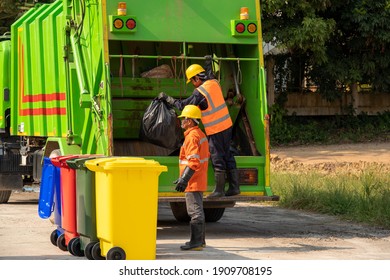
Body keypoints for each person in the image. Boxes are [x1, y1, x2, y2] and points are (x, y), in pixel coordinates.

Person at [159, 64, 240, 197]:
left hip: (215, 129)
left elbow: (184, 105)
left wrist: (168, 99)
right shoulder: (214, 83)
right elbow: (210, 76)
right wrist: (209, 63)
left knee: (217, 157)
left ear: (197, 78)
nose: (192, 84)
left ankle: (219, 190)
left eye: (191, 80)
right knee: (228, 155)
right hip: (227, 125)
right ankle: (234, 187)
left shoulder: (200, 91)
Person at [174, 105, 209, 250]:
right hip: (197, 179)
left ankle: (196, 243)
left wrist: (184, 179)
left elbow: (193, 161)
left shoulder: (192, 137)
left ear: (190, 121)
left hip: (193, 181)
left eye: (183, 118)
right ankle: (200, 241)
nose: (181, 121)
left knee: (194, 212)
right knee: (198, 210)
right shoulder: (199, 135)